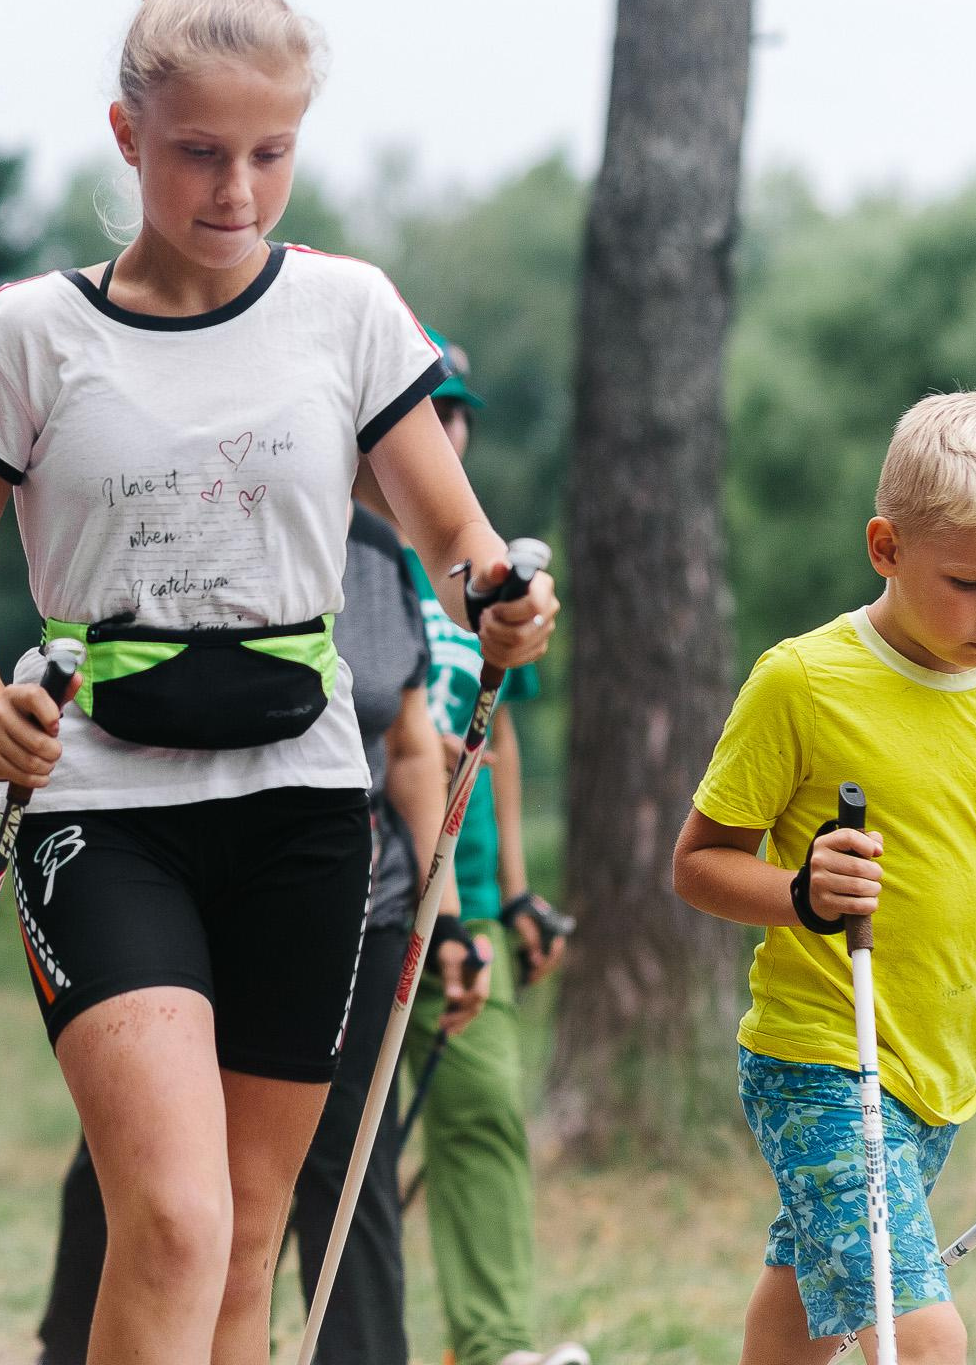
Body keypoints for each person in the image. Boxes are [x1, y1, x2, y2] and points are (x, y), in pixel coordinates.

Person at [0, 0, 558, 1365]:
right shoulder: (35, 335)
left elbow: (454, 534)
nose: (237, 189)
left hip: (305, 804)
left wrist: (499, 593)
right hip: (103, 805)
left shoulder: (349, 312)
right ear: (128, 138)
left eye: (271, 153)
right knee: (179, 1221)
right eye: (201, 153)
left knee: (253, 1235)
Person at [673, 391, 976, 1364]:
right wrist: (799, 893)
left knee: (803, 1291)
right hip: (823, 1056)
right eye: (967, 583)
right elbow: (698, 864)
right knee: (922, 1332)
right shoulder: (804, 682)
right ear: (886, 547)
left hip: (938, 1072)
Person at [32, 498, 487, 1364]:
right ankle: (72, 1341)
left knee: (343, 1168)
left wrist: (451, 916)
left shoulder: (385, 556)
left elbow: (414, 741)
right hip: (147, 862)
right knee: (163, 1186)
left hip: (353, 892)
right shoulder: (189, 499)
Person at [364, 331, 586, 1365]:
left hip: (472, 899)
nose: (447, 431)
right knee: (337, 1145)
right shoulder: (346, 555)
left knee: (484, 1107)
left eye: (456, 416)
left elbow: (499, 744)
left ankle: (496, 1346)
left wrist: (523, 894)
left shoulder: (483, 577)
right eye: (428, 410)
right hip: (355, 885)